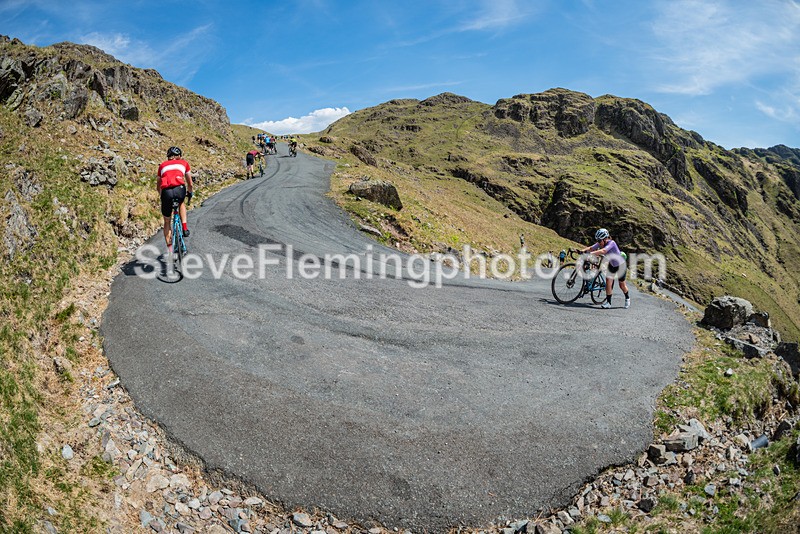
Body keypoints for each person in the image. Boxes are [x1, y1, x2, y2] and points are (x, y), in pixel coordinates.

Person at [581, 228, 630, 309]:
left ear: (605, 239)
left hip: (620, 265)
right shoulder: (601, 243)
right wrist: (582, 251)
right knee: (608, 283)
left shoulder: (612, 243)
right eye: (598, 241)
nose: (599, 243)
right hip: (611, 265)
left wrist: (590, 254)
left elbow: (603, 251)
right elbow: (591, 248)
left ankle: (627, 298)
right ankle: (608, 303)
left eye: (600, 241)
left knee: (622, 285)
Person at [157, 146, 194, 255]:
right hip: (180, 189)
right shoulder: (184, 163)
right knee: (181, 202)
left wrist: (162, 196)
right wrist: (190, 192)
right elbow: (190, 183)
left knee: (167, 221)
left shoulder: (162, 165)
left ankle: (170, 250)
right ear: (179, 156)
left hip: (166, 192)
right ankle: (185, 228)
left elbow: (158, 185)